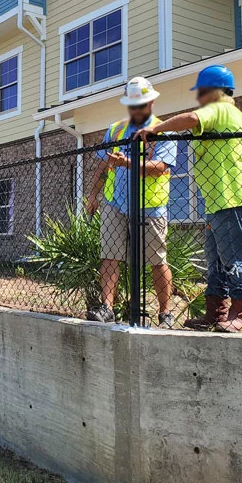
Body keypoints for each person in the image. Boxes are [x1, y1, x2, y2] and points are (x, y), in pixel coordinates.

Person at [135, 65, 242, 333]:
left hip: (230, 201)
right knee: (215, 261)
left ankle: (241, 313)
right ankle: (216, 314)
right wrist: (237, 180)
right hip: (223, 200)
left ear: (215, 91)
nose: (200, 98)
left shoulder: (220, 109)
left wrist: (156, 130)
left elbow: (191, 118)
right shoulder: (241, 118)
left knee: (233, 258)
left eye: (202, 92)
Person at [86, 77, 177, 328]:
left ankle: (165, 312)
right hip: (115, 203)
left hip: (150, 207)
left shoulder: (162, 131)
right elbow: (103, 166)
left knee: (157, 260)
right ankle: (107, 308)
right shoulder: (115, 130)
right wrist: (93, 194)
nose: (137, 110)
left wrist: (127, 163)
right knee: (110, 256)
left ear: (152, 102)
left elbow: (159, 168)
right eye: (133, 105)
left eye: (142, 105)